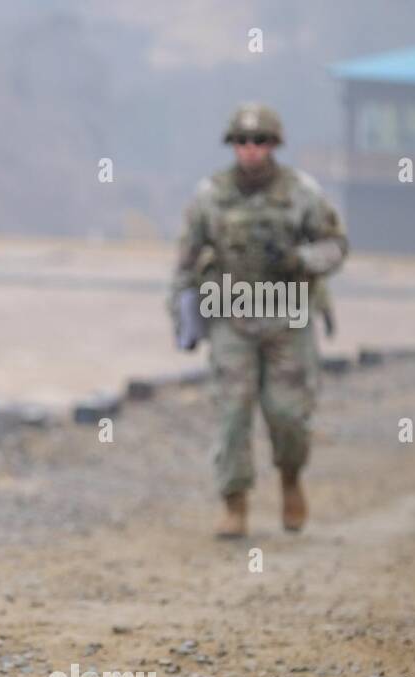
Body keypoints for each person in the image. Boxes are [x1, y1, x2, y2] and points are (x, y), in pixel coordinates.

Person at [169, 103, 348, 537]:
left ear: (273, 146)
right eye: (243, 142)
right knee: (232, 413)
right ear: (233, 146)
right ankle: (234, 503)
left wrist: (298, 259)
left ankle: (290, 480)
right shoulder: (210, 196)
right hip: (232, 317)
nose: (251, 150)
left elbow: (335, 245)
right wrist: (181, 310)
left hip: (287, 315)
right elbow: (187, 259)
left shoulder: (302, 192)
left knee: (288, 414)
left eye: (260, 142)